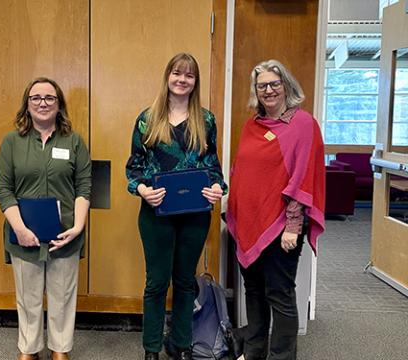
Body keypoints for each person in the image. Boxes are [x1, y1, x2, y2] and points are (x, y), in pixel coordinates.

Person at [126, 53, 227, 360]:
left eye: (189, 76)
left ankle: (182, 346)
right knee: (156, 283)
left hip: (195, 215)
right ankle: (151, 349)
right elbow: (134, 169)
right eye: (177, 74)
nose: (182, 80)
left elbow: (214, 169)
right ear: (167, 76)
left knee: (185, 282)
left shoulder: (205, 120)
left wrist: (216, 189)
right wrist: (143, 190)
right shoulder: (147, 118)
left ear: (195, 82)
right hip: (157, 214)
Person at [226, 60, 325, 360]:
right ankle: (255, 352)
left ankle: (282, 357)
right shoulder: (251, 125)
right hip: (249, 224)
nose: (268, 90)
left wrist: (293, 225)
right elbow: (241, 172)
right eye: (261, 86)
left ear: (286, 86)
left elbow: (303, 175)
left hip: (282, 226)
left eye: (274, 84)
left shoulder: (303, 124)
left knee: (279, 295)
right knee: (253, 293)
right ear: (255, 92)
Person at [0, 77, 92, 360]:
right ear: (27, 105)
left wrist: (78, 226)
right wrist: (20, 229)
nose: (43, 103)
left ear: (59, 105)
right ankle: (29, 348)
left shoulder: (74, 142)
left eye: (49, 98)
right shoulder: (12, 142)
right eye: (36, 98)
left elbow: (84, 186)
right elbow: (3, 188)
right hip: (23, 234)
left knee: (62, 296)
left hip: (65, 234)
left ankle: (60, 348)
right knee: (28, 297)